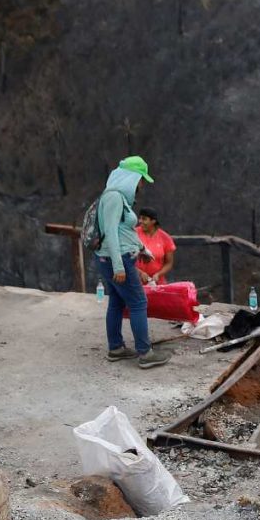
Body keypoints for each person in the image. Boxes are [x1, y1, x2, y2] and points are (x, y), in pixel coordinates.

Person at [95, 156, 172, 369]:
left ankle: (116, 348)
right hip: (115, 261)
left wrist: (141, 249)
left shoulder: (118, 198)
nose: (141, 185)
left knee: (117, 302)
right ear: (131, 177)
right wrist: (119, 266)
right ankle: (145, 354)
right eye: (140, 179)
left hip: (113, 258)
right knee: (138, 303)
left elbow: (124, 230)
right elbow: (110, 232)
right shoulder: (113, 198)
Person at [135, 207, 176, 285]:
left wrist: (158, 274)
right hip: (135, 282)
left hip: (157, 283)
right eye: (139, 218)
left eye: (144, 219)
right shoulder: (133, 234)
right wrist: (140, 273)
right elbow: (125, 259)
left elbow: (169, 263)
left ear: (153, 221)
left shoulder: (165, 238)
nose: (140, 221)